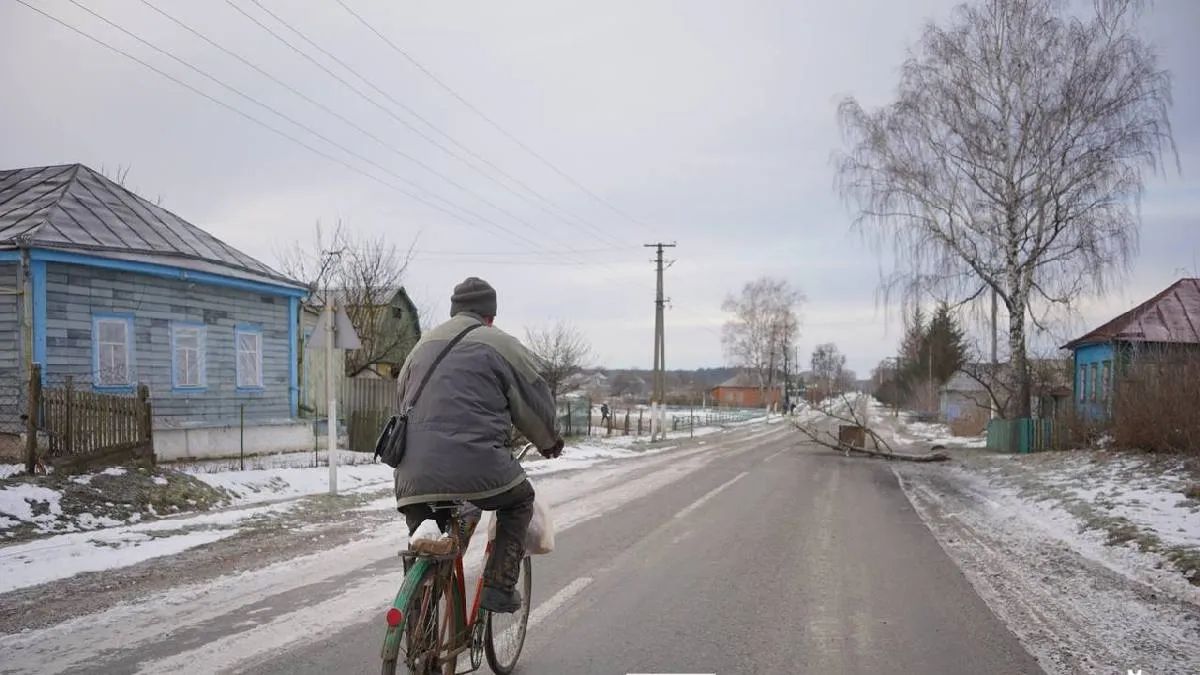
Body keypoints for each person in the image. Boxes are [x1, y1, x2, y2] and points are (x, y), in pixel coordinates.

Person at [393, 277, 563, 613]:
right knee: (518, 500)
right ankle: (499, 586)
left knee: (434, 535)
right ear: (490, 316)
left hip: (412, 475)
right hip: (478, 466)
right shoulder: (500, 343)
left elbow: (402, 402)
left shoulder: (422, 346)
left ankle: (418, 618)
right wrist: (549, 441)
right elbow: (534, 401)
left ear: (454, 310)